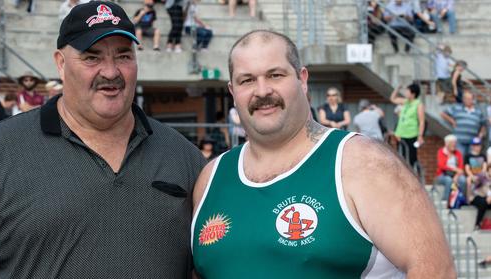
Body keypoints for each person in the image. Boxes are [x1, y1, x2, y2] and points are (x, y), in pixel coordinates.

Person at [0, 2, 206, 277]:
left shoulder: (184, 157)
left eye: (123, 55)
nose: (111, 71)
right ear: (61, 64)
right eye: (92, 57)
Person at [191, 30, 454, 278]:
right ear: (232, 92)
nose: (262, 91)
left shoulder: (363, 162)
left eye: (275, 75)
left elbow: (436, 270)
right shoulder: (210, 179)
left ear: (302, 79)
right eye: (247, 80)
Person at [390, 83, 425, 169]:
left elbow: (421, 121)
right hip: (400, 133)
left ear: (413, 94)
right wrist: (397, 89)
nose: (406, 93)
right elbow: (393, 99)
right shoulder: (405, 101)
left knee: (411, 158)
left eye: (407, 91)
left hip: (411, 134)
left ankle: (412, 175)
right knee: (401, 157)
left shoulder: (418, 104)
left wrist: (420, 136)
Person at [440, 90, 486, 156]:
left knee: (471, 160)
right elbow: (443, 113)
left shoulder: (478, 111)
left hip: (472, 141)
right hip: (459, 140)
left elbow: (483, 124)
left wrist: (480, 135)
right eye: (465, 98)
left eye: (469, 98)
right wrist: (452, 121)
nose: (467, 100)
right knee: (460, 158)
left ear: (473, 100)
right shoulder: (456, 108)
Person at [435, 134, 466, 201]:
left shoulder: (458, 153)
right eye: (452, 143)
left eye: (455, 142)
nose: (454, 144)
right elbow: (441, 166)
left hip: (456, 175)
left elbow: (461, 167)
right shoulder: (441, 152)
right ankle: (445, 200)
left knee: (463, 180)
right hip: (442, 175)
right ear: (447, 143)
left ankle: (461, 199)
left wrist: (457, 175)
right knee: (448, 180)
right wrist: (454, 169)